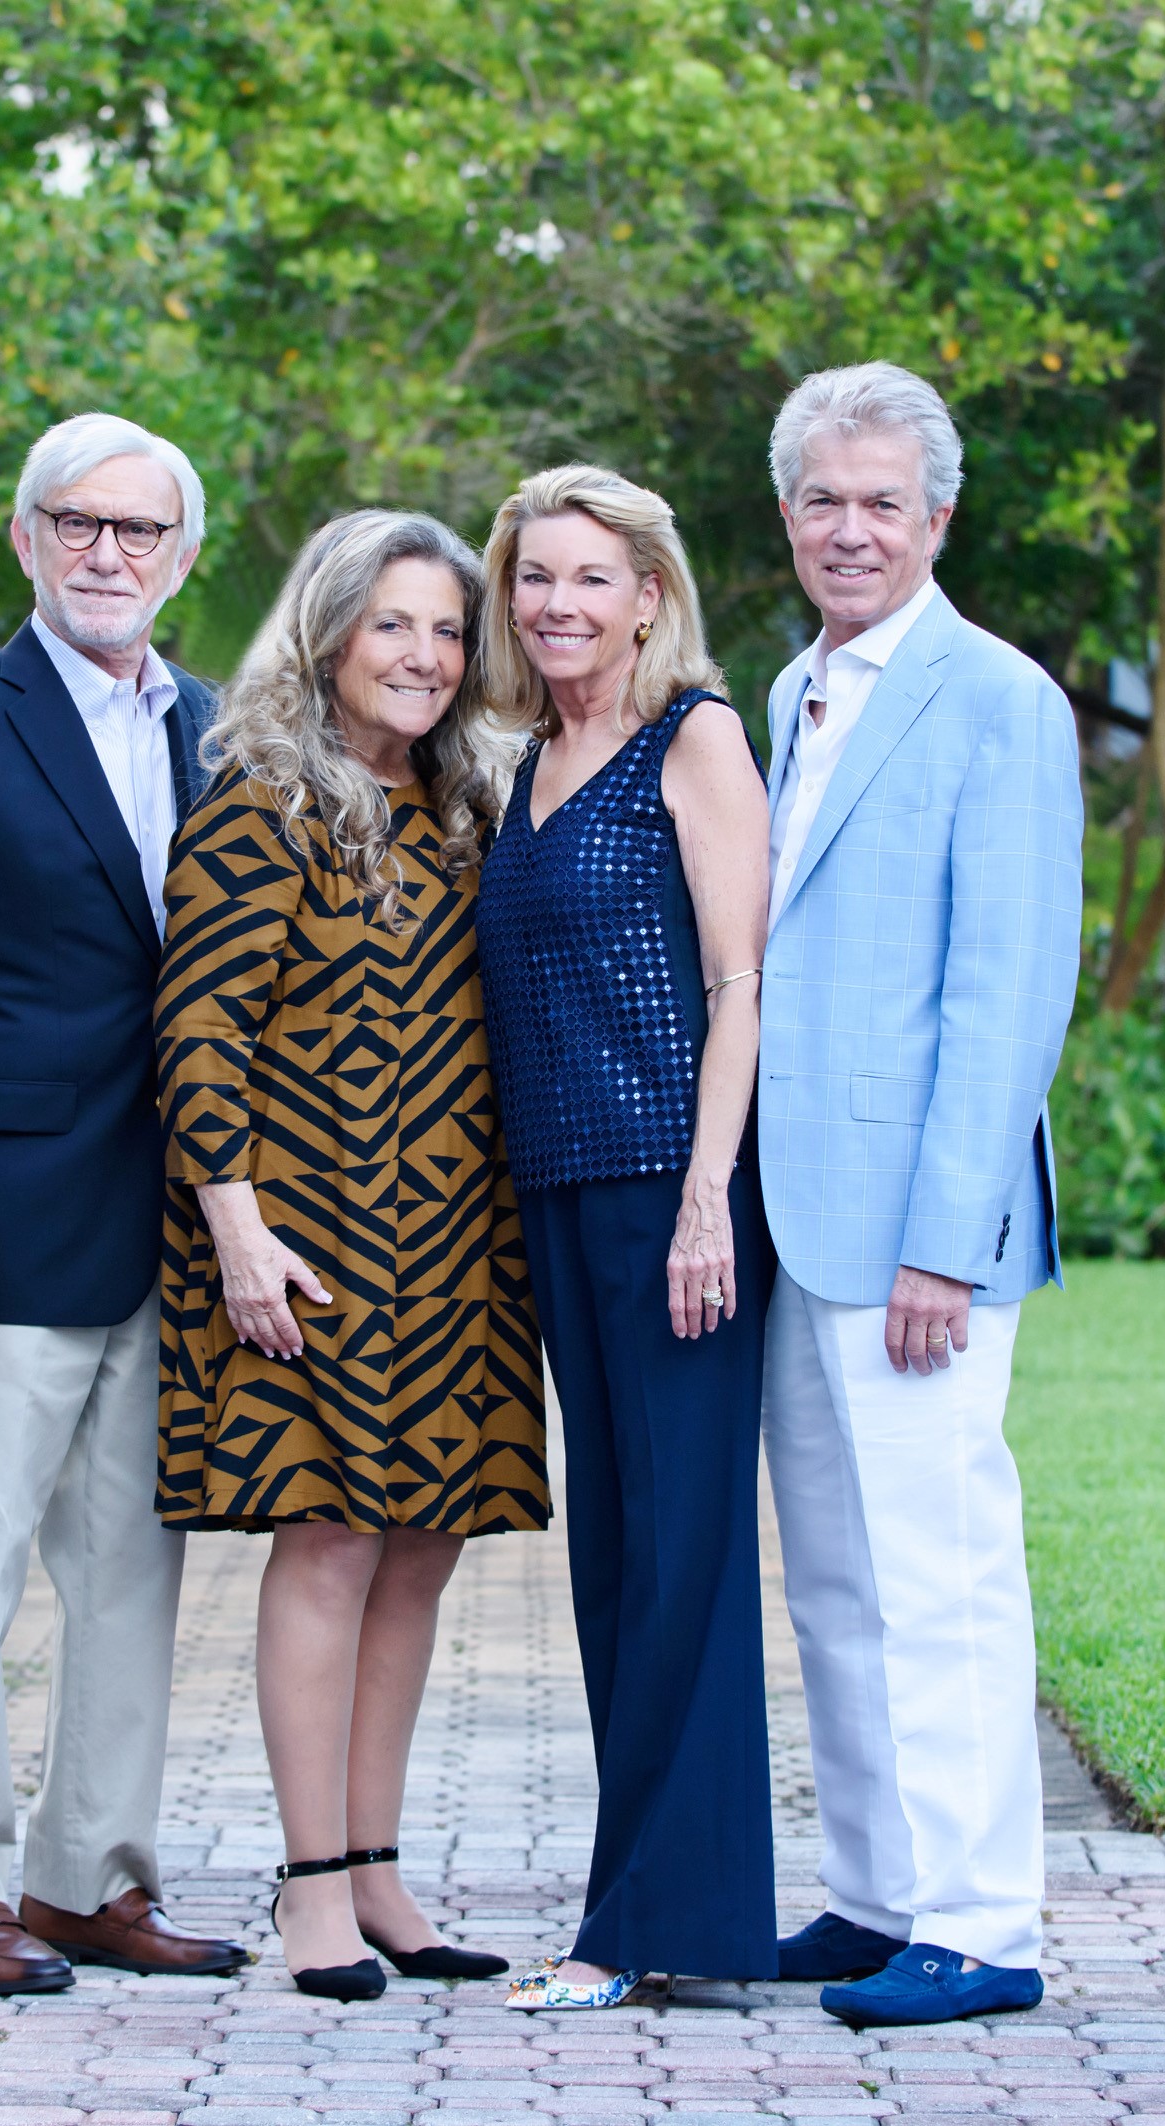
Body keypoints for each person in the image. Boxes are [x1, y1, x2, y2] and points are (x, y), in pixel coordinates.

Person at [0, 412, 249, 1994]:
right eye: (75, 521)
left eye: (138, 529)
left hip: (169, 1236)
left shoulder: (213, 726)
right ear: (25, 540)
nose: (105, 552)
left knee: (134, 1573)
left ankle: (90, 1878)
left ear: (180, 557)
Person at [154, 508, 546, 2003]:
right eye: (394, 624)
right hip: (306, 1241)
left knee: (421, 1545)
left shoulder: (470, 805)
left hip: (457, 1244)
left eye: (448, 629)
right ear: (327, 636)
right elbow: (198, 1031)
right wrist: (237, 1230)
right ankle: (311, 1880)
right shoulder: (263, 803)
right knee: (327, 1538)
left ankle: (379, 1869)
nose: (426, 655)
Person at [758, 362, 1084, 2029]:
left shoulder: (1001, 697)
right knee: (833, 1579)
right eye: (825, 497)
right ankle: (879, 1892)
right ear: (787, 513)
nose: (852, 528)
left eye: (884, 501)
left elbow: (1007, 993)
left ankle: (982, 1920)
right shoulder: (790, 689)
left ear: (939, 518)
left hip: (916, 1239)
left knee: (941, 1572)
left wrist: (944, 1245)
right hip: (792, 1218)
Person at [474, 464, 777, 2010]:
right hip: (555, 1197)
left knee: (681, 1561)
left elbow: (739, 984)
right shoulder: (526, 756)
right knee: (614, 1559)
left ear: (649, 596)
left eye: (592, 577)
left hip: (673, 1196)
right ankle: (674, 1910)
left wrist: (709, 1194)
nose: (559, 603)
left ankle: (637, 1927)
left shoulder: (694, 735)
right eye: (535, 576)